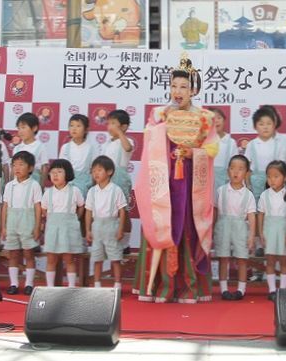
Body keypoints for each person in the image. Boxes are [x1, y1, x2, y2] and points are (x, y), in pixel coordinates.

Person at [134, 55, 220, 303]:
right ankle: (158, 285)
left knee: (187, 226)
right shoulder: (159, 113)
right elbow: (149, 141)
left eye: (183, 87)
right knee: (161, 223)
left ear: (194, 89)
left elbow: (213, 148)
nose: (177, 91)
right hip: (163, 181)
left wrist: (193, 152)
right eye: (173, 86)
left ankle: (188, 286)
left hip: (190, 183)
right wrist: (163, 125)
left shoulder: (205, 117)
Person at [214, 155, 256, 301]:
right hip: (223, 226)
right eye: (232, 168)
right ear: (227, 171)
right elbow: (214, 211)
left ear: (246, 173)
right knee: (223, 257)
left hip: (240, 227)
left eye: (240, 169)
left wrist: (251, 236)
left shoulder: (249, 195)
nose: (236, 172)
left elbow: (251, 217)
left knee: (242, 258)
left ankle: (241, 289)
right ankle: (224, 289)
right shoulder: (221, 191)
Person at [1, 151, 43, 295]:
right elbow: (5, 206)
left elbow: (38, 207)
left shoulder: (34, 185)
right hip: (12, 221)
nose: (17, 168)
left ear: (30, 168)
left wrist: (37, 227)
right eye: (14, 165)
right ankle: (13, 283)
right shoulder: (9, 186)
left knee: (28, 253)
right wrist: (3, 226)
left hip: (28, 221)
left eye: (21, 164)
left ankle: (29, 283)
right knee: (13, 253)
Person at [86, 156, 128, 290]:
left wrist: (120, 229)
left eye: (99, 170)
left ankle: (117, 285)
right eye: (93, 171)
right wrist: (88, 229)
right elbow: (88, 211)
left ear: (109, 172)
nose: (96, 173)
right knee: (97, 258)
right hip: (97, 226)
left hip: (112, 226)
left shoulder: (116, 190)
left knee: (115, 258)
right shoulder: (92, 191)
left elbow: (122, 211)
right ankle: (97, 284)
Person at [42, 159, 85, 287]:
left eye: (59, 172)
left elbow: (81, 206)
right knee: (51, 258)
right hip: (52, 229)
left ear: (68, 174)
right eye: (53, 172)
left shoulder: (75, 191)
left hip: (69, 229)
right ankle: (50, 287)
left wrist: (75, 218)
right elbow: (43, 209)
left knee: (69, 258)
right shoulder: (48, 192)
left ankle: (71, 286)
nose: (55, 175)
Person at [258, 161, 286, 300]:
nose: (272, 180)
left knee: (284, 260)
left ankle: (283, 290)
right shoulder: (264, 195)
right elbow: (261, 214)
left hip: (284, 229)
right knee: (271, 260)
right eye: (269, 176)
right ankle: (272, 290)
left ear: (285, 177)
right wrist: (261, 233)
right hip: (269, 229)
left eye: (276, 176)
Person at [101, 109, 135, 252]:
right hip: (106, 179)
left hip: (120, 178)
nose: (110, 127)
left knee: (123, 211)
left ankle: (125, 243)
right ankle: (109, 239)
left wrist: (120, 133)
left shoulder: (127, 140)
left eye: (114, 123)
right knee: (107, 211)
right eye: (109, 123)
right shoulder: (106, 143)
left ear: (124, 126)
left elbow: (128, 148)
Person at [245, 106, 286, 202]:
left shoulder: (280, 143)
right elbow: (248, 168)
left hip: (277, 183)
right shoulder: (252, 144)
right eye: (261, 124)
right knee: (258, 208)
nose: (265, 127)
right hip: (257, 184)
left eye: (269, 124)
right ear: (255, 126)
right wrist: (248, 185)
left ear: (274, 125)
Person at [59, 114, 98, 198]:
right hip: (67, 186)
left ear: (86, 129)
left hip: (85, 186)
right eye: (71, 125)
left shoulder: (91, 148)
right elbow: (60, 169)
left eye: (78, 126)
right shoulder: (65, 148)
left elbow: (95, 170)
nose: (74, 128)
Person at [12, 113, 49, 185]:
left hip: (34, 184)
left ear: (34, 128)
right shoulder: (17, 148)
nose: (20, 131)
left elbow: (44, 168)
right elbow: (12, 168)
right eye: (18, 128)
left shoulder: (40, 146)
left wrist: (41, 186)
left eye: (23, 127)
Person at [211, 107, 238, 195]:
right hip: (208, 181)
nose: (216, 121)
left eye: (219, 118)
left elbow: (235, 164)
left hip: (225, 181)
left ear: (224, 121)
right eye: (213, 119)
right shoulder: (205, 141)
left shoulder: (231, 142)